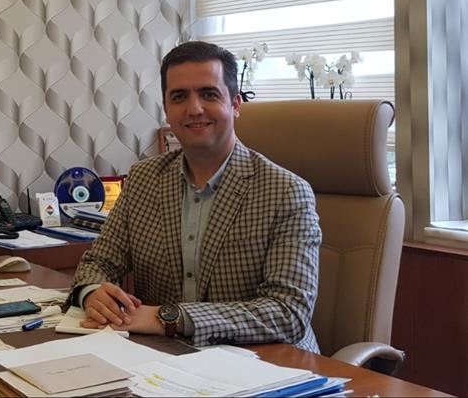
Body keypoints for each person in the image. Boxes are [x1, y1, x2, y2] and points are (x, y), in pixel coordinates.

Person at [69, 41, 322, 351]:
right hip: (167, 357)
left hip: (267, 360)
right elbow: (99, 261)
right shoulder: (143, 179)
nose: (194, 109)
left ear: (236, 104)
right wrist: (93, 293)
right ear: (167, 110)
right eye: (179, 97)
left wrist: (170, 319)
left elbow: (288, 312)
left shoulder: (285, 192)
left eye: (209, 94)